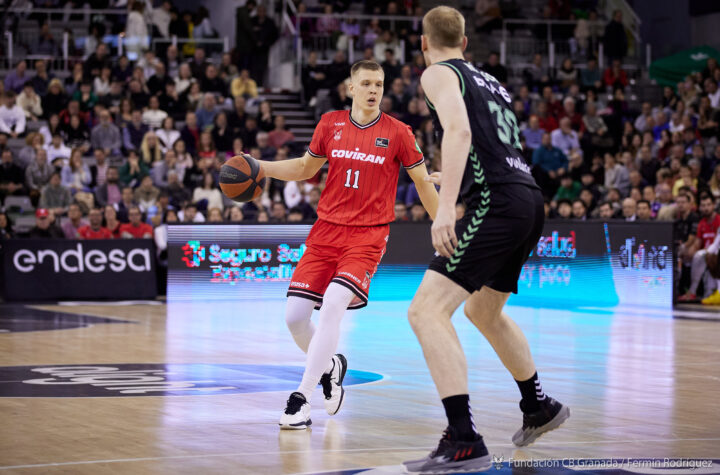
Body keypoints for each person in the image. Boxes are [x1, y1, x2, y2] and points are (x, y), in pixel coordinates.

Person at [402, 8, 568, 474]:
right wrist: (460, 178)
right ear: (466, 41)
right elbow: (489, 143)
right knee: (483, 309)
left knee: (426, 311)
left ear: (423, 42)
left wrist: (448, 203)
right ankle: (537, 406)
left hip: (495, 203)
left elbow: (460, 130)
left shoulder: (437, 72)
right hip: (526, 197)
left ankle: (463, 438)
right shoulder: (490, 80)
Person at [259, 60, 439, 429]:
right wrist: (260, 167)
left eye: (379, 84)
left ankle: (301, 399)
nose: (374, 90)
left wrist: (443, 225)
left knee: (333, 306)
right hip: (325, 232)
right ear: (351, 88)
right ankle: (331, 367)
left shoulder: (399, 132)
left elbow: (422, 182)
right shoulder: (330, 123)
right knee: (294, 318)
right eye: (367, 84)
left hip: (368, 235)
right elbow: (306, 169)